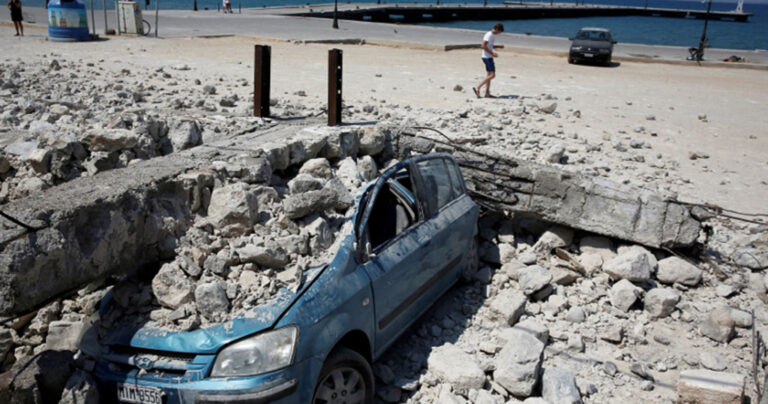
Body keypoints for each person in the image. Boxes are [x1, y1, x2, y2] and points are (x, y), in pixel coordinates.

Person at [474, 23, 505, 98]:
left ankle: (487, 93)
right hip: (487, 57)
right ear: (497, 29)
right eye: (500, 32)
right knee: (492, 75)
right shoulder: (489, 35)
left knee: (489, 75)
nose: (499, 33)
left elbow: (489, 45)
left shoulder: (491, 35)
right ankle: (477, 87)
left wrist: (498, 46)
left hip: (487, 56)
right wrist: (492, 53)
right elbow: (483, 46)